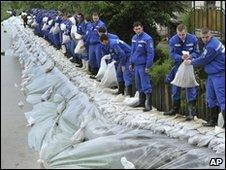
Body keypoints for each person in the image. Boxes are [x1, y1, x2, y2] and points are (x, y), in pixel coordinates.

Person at [184, 28, 225, 127]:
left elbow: (204, 60)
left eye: (207, 37)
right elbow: (203, 55)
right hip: (212, 74)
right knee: (210, 97)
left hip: (219, 74)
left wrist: (191, 62)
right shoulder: (213, 41)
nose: (205, 39)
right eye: (203, 37)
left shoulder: (212, 46)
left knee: (222, 99)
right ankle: (213, 120)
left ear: (210, 35)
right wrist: (192, 57)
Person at [164, 23, 200, 121]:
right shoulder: (172, 40)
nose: (181, 36)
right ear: (177, 33)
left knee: (190, 87)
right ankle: (175, 109)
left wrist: (191, 56)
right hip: (178, 66)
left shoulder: (193, 39)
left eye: (183, 34)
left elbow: (197, 52)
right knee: (176, 87)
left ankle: (191, 112)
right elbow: (172, 54)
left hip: (189, 65)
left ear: (186, 32)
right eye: (179, 35)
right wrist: (180, 57)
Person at [129, 21, 154, 112]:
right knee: (138, 84)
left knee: (145, 84)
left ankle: (149, 104)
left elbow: (150, 53)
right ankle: (141, 101)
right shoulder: (134, 38)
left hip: (143, 65)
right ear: (134, 30)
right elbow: (132, 51)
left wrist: (148, 66)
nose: (138, 30)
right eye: (136, 29)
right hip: (136, 65)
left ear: (142, 28)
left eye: (139, 28)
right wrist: (131, 62)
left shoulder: (147, 39)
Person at [87, 12, 106, 79]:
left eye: (96, 17)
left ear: (98, 16)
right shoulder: (90, 24)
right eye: (94, 16)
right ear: (92, 17)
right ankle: (94, 73)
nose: (95, 18)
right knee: (92, 59)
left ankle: (101, 75)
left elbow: (104, 34)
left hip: (98, 44)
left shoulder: (101, 24)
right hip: (91, 44)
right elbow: (88, 34)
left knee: (99, 59)